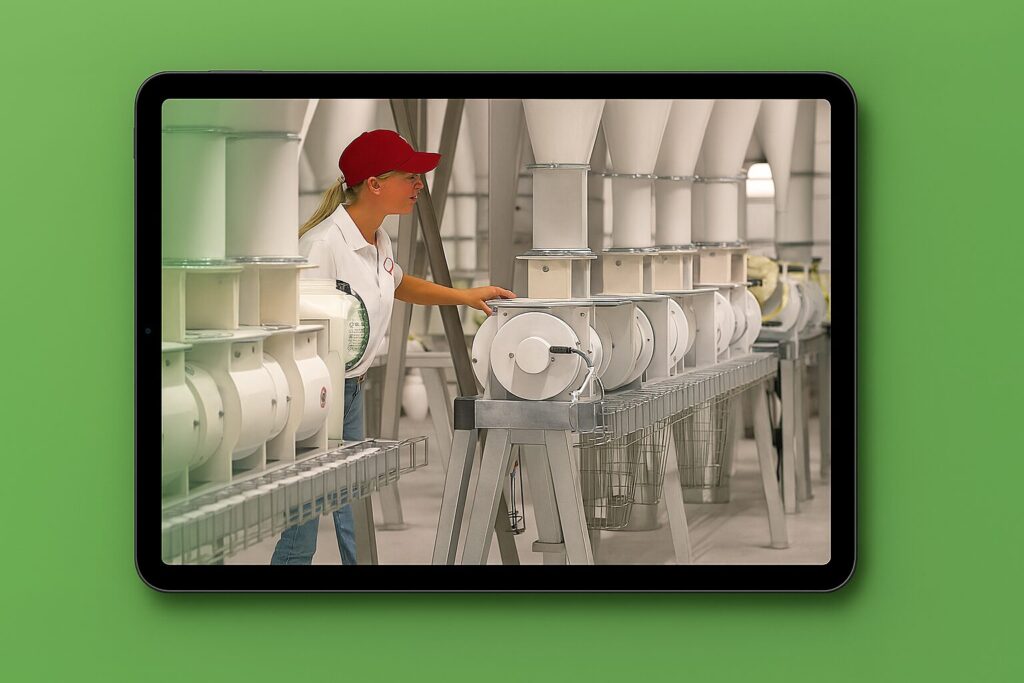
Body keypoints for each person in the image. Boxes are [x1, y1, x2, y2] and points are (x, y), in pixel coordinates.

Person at [271, 129, 515, 565]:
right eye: (411, 177)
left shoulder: (377, 239)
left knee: (351, 499)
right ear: (374, 184)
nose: (420, 185)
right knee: (307, 511)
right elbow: (291, 327)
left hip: (349, 388)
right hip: (318, 391)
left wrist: (464, 296)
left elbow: (400, 284)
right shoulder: (323, 246)